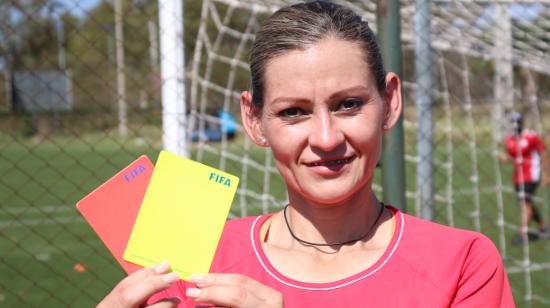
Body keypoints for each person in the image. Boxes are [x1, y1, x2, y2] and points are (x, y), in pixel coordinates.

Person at [99, 1, 514, 307]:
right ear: (254, 119)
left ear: (390, 100)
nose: (327, 137)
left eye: (349, 104)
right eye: (293, 112)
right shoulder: (191, 259)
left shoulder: (462, 263)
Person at [501, 111, 549, 245]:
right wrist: (506, 158)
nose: (515, 125)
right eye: (513, 122)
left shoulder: (531, 136)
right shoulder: (510, 140)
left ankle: (523, 234)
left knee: (525, 204)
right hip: (518, 176)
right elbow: (514, 156)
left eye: (518, 122)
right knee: (527, 203)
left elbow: (543, 153)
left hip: (531, 174)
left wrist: (546, 174)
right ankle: (544, 227)